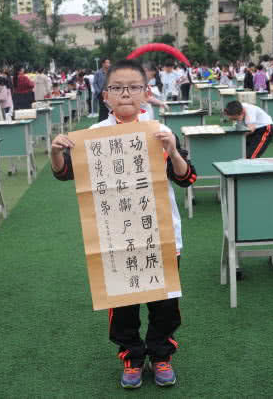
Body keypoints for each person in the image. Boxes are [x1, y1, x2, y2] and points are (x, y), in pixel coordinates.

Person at [50, 59, 196, 389]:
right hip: (114, 235)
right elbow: (64, 173)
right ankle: (131, 357)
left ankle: (161, 355)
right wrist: (56, 152)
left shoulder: (159, 132)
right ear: (105, 96)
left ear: (146, 93)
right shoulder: (93, 137)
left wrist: (173, 151)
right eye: (117, 87)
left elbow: (187, 178)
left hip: (160, 233)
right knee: (123, 305)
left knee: (164, 303)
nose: (125, 93)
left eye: (133, 87)